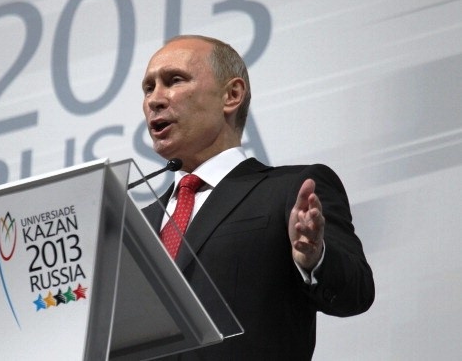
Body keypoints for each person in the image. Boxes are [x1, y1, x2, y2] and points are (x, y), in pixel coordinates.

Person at [139, 35, 375, 360]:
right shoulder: (135, 223)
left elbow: (355, 294)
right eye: (148, 88)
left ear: (232, 95)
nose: (155, 99)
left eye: (174, 80)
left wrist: (314, 257)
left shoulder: (290, 190)